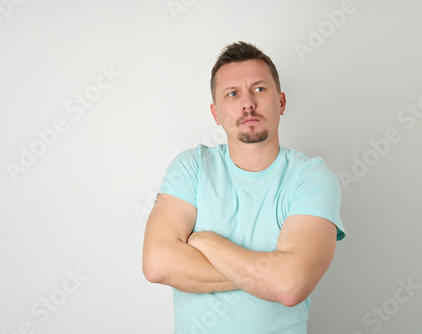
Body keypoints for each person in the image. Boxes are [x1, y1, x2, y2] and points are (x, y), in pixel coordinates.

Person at [142, 41, 346, 334]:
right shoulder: (191, 167)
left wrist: (204, 241)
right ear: (216, 113)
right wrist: (268, 275)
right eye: (232, 93)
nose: (247, 103)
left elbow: (290, 285)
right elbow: (157, 264)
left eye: (260, 89)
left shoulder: (311, 178)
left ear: (282, 102)